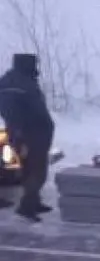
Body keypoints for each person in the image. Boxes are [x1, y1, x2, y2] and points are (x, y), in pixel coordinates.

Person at [0, 53, 56, 221]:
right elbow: (12, 112)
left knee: (34, 169)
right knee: (36, 172)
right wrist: (19, 135)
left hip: (37, 133)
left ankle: (33, 201)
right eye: (34, 64)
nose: (36, 67)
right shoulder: (14, 84)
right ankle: (27, 206)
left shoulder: (22, 80)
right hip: (28, 133)